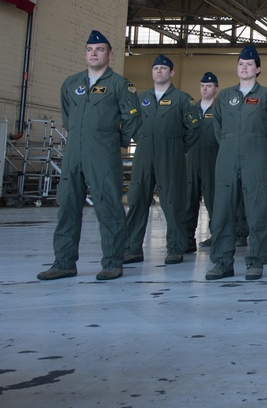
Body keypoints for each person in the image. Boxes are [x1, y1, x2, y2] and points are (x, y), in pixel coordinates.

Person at [38, 30, 142, 281]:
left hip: (103, 155)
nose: (94, 53)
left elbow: (132, 118)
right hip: (74, 152)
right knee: (68, 207)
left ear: (110, 54)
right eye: (89, 50)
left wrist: (113, 140)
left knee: (109, 208)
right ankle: (63, 263)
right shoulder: (71, 84)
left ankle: (112, 262)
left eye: (100, 49)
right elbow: (67, 116)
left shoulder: (120, 85)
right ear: (85, 53)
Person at [206, 45, 267, 281]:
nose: (244, 67)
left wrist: (257, 148)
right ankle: (222, 262)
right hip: (227, 158)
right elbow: (217, 128)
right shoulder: (225, 96)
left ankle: (256, 261)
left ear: (258, 69)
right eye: (241, 64)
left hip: (256, 158)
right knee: (222, 212)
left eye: (249, 64)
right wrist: (231, 145)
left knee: (257, 209)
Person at [123, 55, 200, 265]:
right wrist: (142, 140)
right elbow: (130, 123)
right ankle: (132, 249)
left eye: (163, 68)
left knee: (173, 202)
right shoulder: (141, 98)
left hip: (171, 155)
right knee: (137, 200)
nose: (159, 71)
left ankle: (175, 248)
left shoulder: (182, 99)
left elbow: (194, 127)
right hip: (144, 154)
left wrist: (177, 146)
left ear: (171, 73)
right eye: (155, 68)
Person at [187, 73, 220, 249]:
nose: (205, 89)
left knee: (213, 200)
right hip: (191, 160)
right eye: (202, 86)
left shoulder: (219, 110)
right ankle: (187, 238)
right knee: (189, 200)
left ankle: (215, 235)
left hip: (212, 160)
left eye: (209, 86)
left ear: (216, 89)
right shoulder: (192, 110)